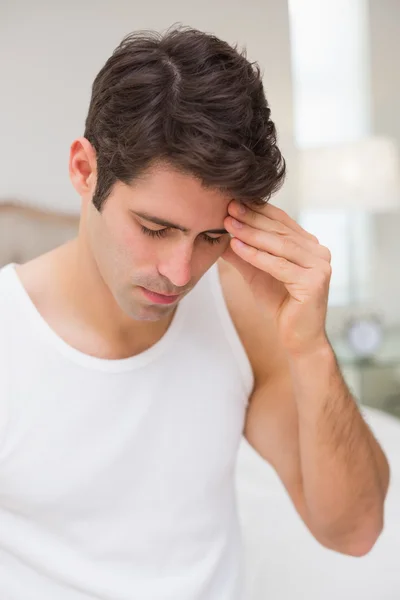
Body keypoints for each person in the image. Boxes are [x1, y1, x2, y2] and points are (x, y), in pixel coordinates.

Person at [0, 25, 390, 600]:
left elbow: (355, 532)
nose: (181, 274)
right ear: (85, 171)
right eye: (155, 229)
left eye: (210, 238)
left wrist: (310, 349)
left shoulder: (241, 318)